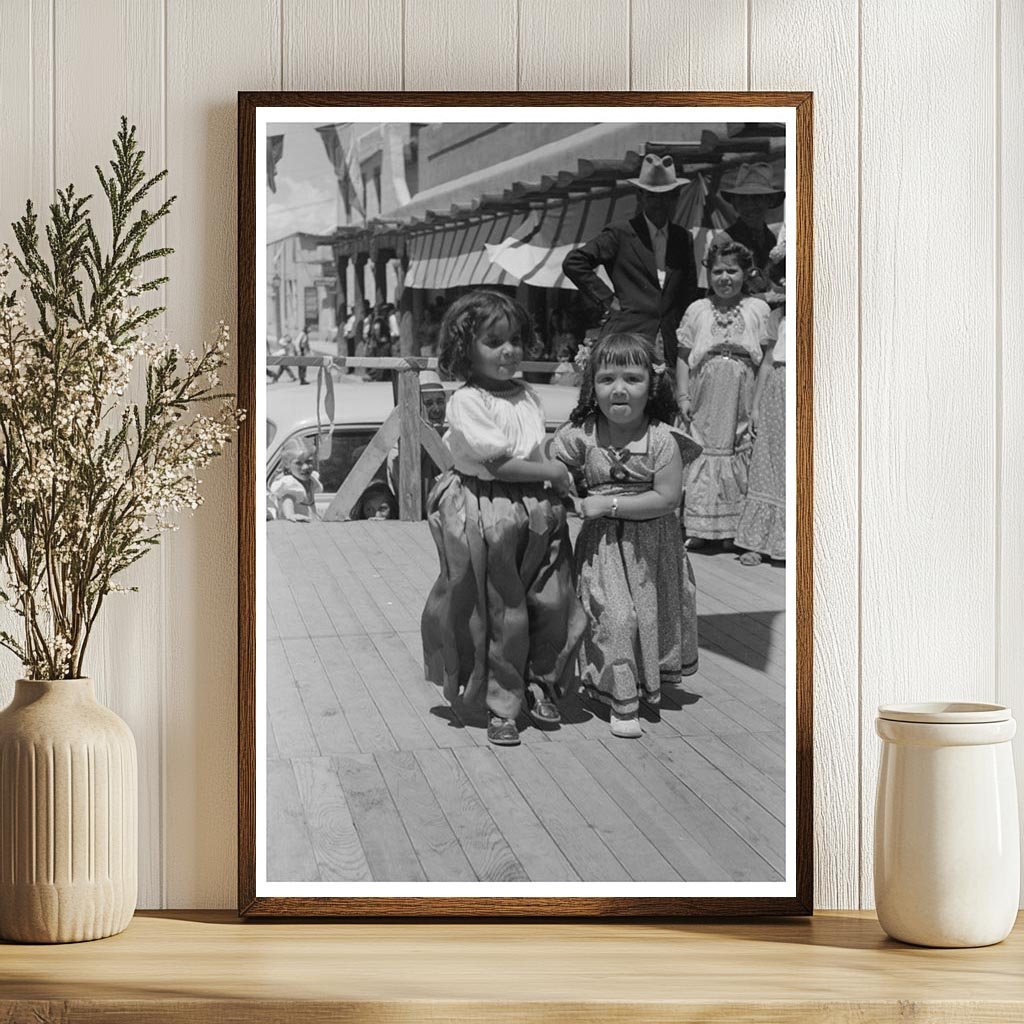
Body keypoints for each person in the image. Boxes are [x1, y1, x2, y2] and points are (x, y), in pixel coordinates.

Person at [421, 290, 586, 747]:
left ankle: (540, 681)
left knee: (549, 601)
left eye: (514, 339)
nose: (509, 350)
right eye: (494, 342)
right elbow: (498, 464)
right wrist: (552, 471)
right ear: (465, 349)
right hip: (490, 511)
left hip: (534, 509)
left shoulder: (528, 394)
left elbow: (532, 448)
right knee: (501, 610)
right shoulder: (468, 401)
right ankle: (501, 704)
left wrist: (556, 476)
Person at [551, 333, 700, 738]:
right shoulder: (584, 432)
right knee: (617, 617)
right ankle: (622, 700)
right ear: (592, 386)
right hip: (602, 549)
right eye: (607, 379)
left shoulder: (662, 439)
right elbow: (552, 459)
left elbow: (667, 498)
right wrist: (566, 483)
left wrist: (609, 505)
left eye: (632, 379)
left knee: (647, 618)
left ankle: (641, 684)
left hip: (652, 548)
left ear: (651, 386)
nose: (619, 389)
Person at [562, 153, 699, 368]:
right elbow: (574, 262)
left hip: (670, 343)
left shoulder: (683, 238)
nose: (660, 203)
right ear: (640, 197)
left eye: (666, 196)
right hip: (628, 337)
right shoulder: (621, 233)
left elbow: (689, 290)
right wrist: (607, 299)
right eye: (652, 196)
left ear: (676, 197)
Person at [676, 240, 770, 547]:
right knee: (703, 451)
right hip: (704, 390)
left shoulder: (757, 309)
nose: (725, 278)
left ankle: (732, 529)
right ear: (709, 274)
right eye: (718, 271)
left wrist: (757, 404)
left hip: (742, 392)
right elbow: (683, 354)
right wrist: (683, 396)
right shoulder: (698, 310)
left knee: (737, 450)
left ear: (746, 272)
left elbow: (766, 360)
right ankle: (700, 528)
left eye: (732, 271)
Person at [736, 302, 787, 565]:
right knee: (768, 462)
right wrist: (755, 406)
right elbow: (767, 362)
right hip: (778, 394)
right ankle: (759, 541)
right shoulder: (779, 316)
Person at [714, 162, 785, 296]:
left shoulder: (772, 240)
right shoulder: (724, 242)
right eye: (743, 200)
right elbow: (724, 294)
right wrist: (769, 298)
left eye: (757, 198)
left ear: (769, 201)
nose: (749, 206)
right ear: (735, 204)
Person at [385, 371, 449, 515]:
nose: (437, 409)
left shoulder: (452, 436)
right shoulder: (401, 448)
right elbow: (409, 491)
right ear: (417, 406)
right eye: (429, 403)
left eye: (440, 401)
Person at [269, 437, 322, 521]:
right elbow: (287, 500)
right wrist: (290, 514)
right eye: (298, 463)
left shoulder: (310, 480)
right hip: (295, 528)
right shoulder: (291, 484)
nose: (305, 467)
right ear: (287, 465)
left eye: (309, 461)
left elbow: (310, 510)